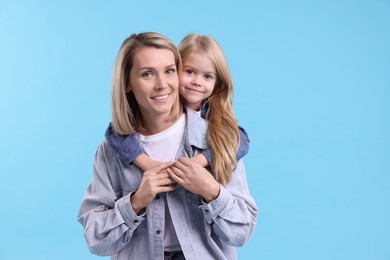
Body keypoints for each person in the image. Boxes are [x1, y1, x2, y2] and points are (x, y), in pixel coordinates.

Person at [77, 32, 257, 260]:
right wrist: (135, 202)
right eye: (147, 74)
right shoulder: (111, 151)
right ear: (127, 83)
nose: (162, 85)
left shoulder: (217, 138)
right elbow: (96, 242)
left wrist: (211, 191)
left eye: (169, 71)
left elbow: (242, 233)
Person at [105, 34, 250, 185]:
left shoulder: (213, 121)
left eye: (207, 76)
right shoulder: (156, 107)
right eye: (189, 72)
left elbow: (240, 141)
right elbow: (115, 133)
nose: (196, 82)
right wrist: (147, 164)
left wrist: (200, 161)